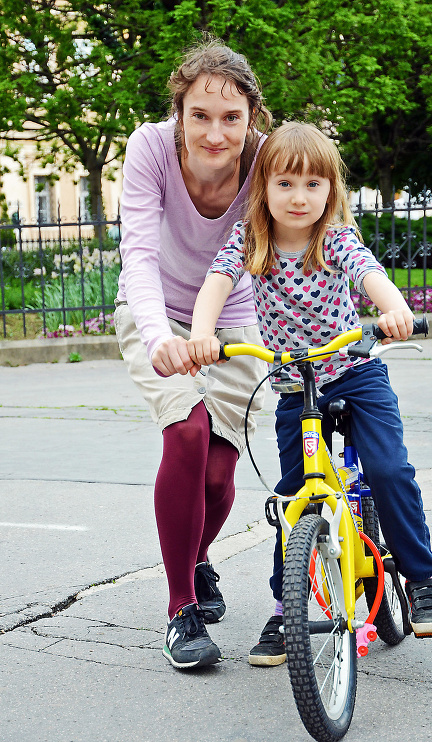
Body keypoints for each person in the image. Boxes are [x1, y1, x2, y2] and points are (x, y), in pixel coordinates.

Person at [187, 121, 432, 667]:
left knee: (388, 470)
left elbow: (368, 273)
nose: (299, 197)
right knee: (293, 499)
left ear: (332, 190)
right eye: (285, 184)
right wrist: (202, 334)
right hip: (291, 384)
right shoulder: (251, 239)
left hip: (355, 374)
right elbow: (217, 279)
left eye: (313, 184)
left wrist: (393, 309)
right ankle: (289, 609)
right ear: (263, 189)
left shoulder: (334, 238)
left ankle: (422, 581)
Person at [114, 40, 272, 670]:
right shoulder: (149, 148)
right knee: (186, 436)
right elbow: (141, 256)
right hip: (156, 315)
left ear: (251, 118)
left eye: (230, 117)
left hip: (234, 318)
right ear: (178, 112)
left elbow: (306, 226)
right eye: (199, 114)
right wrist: (161, 339)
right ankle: (181, 609)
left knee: (217, 474)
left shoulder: (264, 158)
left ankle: (197, 554)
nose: (215, 132)